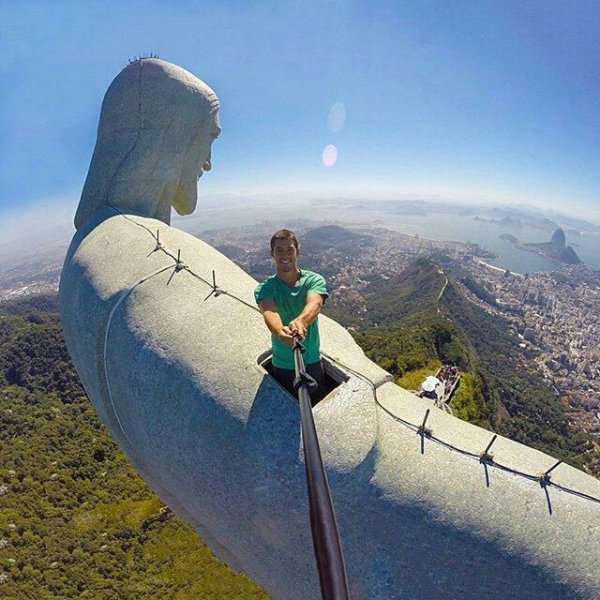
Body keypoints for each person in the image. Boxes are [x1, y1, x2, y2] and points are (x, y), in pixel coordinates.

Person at [254, 229, 329, 399]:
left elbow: (315, 302)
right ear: (272, 254)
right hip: (282, 364)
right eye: (279, 250)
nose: (285, 255)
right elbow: (269, 311)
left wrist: (301, 321)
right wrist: (280, 331)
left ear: (298, 251)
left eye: (290, 249)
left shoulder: (314, 280)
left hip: (312, 360)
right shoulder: (265, 288)